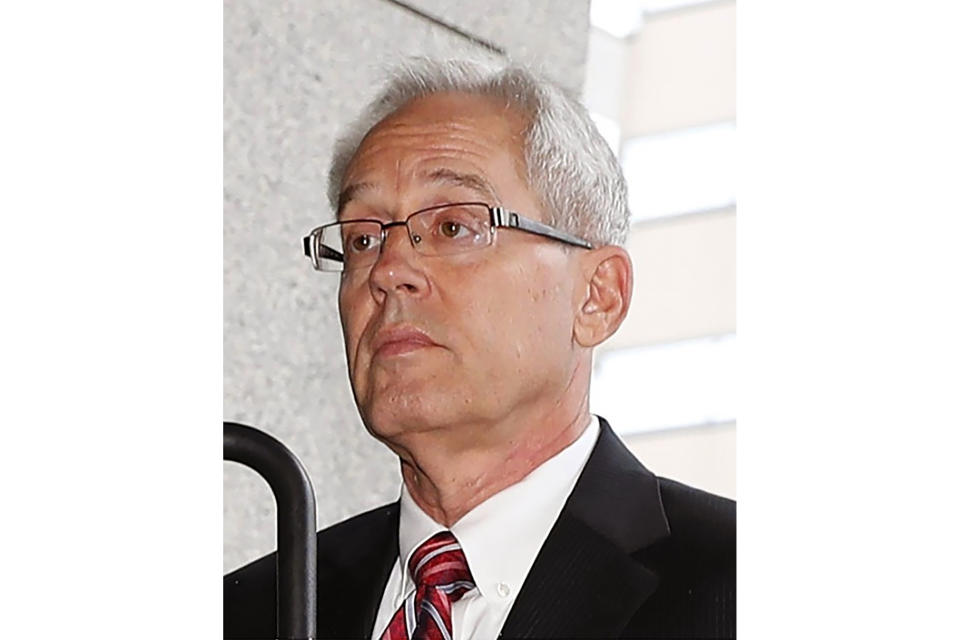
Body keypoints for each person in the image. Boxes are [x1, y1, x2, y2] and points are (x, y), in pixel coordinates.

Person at [224, 58, 735, 639]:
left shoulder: (734, 591)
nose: (389, 271)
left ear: (598, 296)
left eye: (452, 228)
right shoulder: (249, 611)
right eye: (363, 238)